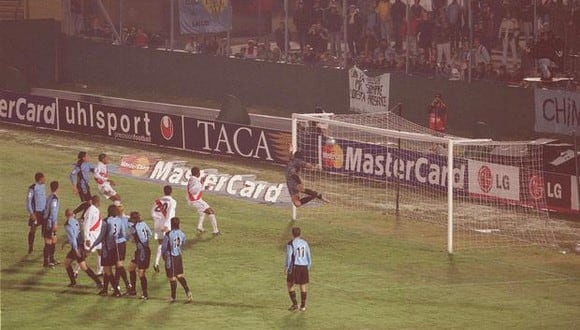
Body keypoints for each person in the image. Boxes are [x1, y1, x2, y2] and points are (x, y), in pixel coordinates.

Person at [63, 208, 103, 288]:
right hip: (80, 245)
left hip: (76, 248)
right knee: (67, 263)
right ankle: (73, 282)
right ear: (73, 214)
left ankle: (99, 282)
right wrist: (66, 241)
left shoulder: (67, 224)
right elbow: (77, 234)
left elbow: (73, 238)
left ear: (65, 215)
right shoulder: (75, 221)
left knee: (83, 266)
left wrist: (75, 249)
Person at [91, 204, 123, 297]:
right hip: (115, 248)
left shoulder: (106, 221)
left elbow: (101, 237)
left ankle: (116, 291)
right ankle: (105, 289)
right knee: (107, 270)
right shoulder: (119, 220)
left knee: (107, 270)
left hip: (107, 249)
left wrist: (92, 246)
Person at [162, 217, 193, 303]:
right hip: (178, 256)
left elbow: (164, 247)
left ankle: (173, 297)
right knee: (179, 275)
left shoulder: (168, 235)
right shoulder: (182, 234)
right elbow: (183, 243)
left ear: (171, 224)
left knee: (172, 277)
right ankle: (188, 291)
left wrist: (163, 256)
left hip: (171, 257)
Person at [187, 167, 220, 235]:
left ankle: (200, 226)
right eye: (199, 172)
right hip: (195, 200)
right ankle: (215, 231)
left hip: (195, 199)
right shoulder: (194, 180)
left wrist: (202, 184)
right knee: (210, 211)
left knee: (203, 212)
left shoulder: (193, 179)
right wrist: (201, 184)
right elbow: (193, 191)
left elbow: (196, 189)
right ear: (197, 173)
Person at [285, 227, 312, 312]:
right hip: (304, 266)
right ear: (300, 234)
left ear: (292, 234)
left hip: (295, 267)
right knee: (302, 286)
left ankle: (295, 304)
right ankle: (303, 306)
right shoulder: (305, 243)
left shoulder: (291, 243)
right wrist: (308, 266)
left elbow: (289, 257)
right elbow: (309, 256)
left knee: (290, 285)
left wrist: (287, 267)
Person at [127, 211, 152, 299]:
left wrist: (137, 242)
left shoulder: (134, 228)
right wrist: (146, 242)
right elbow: (150, 234)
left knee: (141, 272)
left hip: (142, 251)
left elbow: (131, 237)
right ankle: (133, 290)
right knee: (131, 268)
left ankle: (145, 294)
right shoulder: (143, 223)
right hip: (141, 250)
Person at [152, 185, 177, 273]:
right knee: (169, 244)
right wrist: (166, 225)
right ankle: (170, 264)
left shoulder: (158, 201)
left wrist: (157, 221)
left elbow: (153, 212)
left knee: (160, 243)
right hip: (166, 224)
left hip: (157, 223)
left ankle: (156, 263)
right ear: (171, 191)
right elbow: (170, 214)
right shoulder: (173, 201)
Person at [26, 172, 46, 254]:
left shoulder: (43, 186)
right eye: (44, 178)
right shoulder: (32, 188)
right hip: (36, 213)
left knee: (45, 230)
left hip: (44, 212)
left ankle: (46, 248)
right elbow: (28, 202)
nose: (45, 179)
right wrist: (32, 213)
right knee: (33, 230)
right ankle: (30, 247)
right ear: (40, 179)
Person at [84, 195, 103, 276]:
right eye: (99, 201)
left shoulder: (96, 210)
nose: (100, 203)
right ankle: (76, 270)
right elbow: (86, 224)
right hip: (91, 235)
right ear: (96, 202)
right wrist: (87, 238)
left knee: (100, 252)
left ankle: (99, 271)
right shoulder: (90, 210)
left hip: (98, 235)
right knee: (86, 253)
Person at [70, 151, 92, 217]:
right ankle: (75, 213)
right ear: (83, 158)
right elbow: (72, 174)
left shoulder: (87, 164)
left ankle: (81, 216)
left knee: (89, 203)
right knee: (88, 203)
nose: (89, 157)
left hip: (86, 185)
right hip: (82, 186)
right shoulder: (79, 165)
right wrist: (74, 187)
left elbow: (89, 169)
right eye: (87, 156)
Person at [43, 181, 59, 267]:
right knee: (48, 241)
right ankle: (46, 262)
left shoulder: (49, 197)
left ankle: (52, 259)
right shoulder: (54, 199)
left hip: (47, 221)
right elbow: (53, 212)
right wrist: (54, 224)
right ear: (58, 188)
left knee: (54, 239)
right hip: (49, 223)